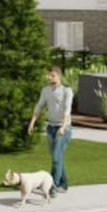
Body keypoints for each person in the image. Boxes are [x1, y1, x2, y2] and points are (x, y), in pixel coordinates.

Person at [28, 66, 73, 194]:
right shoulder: (45, 90)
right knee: (56, 157)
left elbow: (67, 109)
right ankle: (63, 184)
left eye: (52, 75)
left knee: (56, 158)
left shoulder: (67, 91)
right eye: (49, 75)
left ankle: (52, 186)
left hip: (64, 128)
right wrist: (32, 122)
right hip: (51, 128)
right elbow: (39, 106)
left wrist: (63, 127)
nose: (49, 77)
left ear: (59, 76)